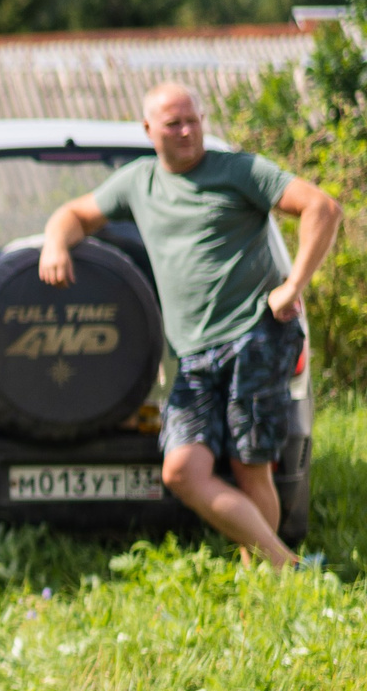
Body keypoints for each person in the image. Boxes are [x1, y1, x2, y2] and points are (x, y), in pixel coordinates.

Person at [40, 82, 342, 568]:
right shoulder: (138, 181)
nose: (186, 131)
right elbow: (75, 213)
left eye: (193, 120)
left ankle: (266, 581)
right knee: (181, 470)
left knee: (250, 468)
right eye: (173, 123)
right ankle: (286, 565)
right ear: (148, 130)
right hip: (194, 352)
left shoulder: (238, 170)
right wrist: (55, 245)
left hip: (255, 335)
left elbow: (322, 207)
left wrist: (295, 283)